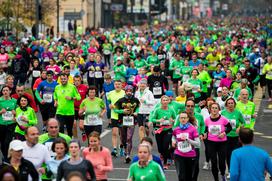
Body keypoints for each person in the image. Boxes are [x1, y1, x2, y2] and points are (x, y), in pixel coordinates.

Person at [204, 102, 232, 181]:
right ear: (210, 109)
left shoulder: (223, 119)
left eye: (216, 108)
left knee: (221, 162)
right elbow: (205, 130)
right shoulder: (207, 120)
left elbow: (229, 128)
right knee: (213, 162)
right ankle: (216, 179)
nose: (214, 109)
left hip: (222, 143)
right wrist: (205, 134)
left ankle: (223, 174)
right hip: (211, 143)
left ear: (219, 109)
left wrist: (224, 133)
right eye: (212, 108)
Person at [149, 95, 176, 169]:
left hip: (168, 130)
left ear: (168, 101)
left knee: (165, 146)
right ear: (161, 102)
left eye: (166, 100)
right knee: (160, 149)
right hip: (159, 130)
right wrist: (158, 120)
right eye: (163, 100)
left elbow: (176, 118)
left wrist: (172, 120)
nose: (165, 102)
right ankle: (163, 154)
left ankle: (165, 163)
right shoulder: (157, 110)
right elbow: (153, 119)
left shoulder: (171, 109)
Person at [114, 85, 140, 163]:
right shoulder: (121, 100)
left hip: (131, 120)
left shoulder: (135, 100)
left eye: (130, 91)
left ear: (132, 92)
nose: (129, 92)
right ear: (125, 91)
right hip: (122, 120)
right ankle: (123, 147)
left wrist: (136, 112)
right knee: (123, 138)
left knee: (129, 138)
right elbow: (115, 110)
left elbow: (138, 107)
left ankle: (128, 154)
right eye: (127, 91)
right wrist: (122, 111)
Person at [172, 112, 200, 181]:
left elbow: (198, 144)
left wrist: (188, 140)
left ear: (187, 119)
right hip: (179, 155)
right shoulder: (176, 129)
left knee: (189, 177)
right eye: (181, 118)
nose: (183, 119)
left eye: (185, 118)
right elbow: (173, 137)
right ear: (179, 119)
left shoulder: (193, 129)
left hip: (190, 156)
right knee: (181, 176)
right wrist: (173, 141)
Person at [221, 98, 245, 178]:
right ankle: (231, 171)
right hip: (227, 137)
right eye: (229, 103)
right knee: (228, 155)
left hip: (236, 137)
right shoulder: (223, 113)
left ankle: (238, 170)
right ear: (226, 105)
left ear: (234, 104)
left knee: (236, 154)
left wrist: (240, 127)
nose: (230, 104)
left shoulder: (238, 113)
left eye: (232, 103)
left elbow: (243, 122)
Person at [106, 80, 125, 157]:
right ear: (114, 85)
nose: (117, 85)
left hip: (123, 116)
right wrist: (109, 105)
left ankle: (121, 148)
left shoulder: (124, 93)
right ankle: (114, 149)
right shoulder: (110, 93)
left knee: (122, 134)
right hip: (114, 115)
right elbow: (108, 102)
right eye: (116, 84)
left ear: (122, 85)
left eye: (119, 84)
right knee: (114, 133)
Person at [0, 86, 17, 159]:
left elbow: (19, 112)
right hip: (1, 124)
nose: (5, 92)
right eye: (4, 91)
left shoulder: (14, 101)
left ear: (10, 91)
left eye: (7, 90)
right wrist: (0, 112)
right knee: (2, 144)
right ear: (2, 92)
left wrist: (15, 113)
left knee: (7, 142)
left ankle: (8, 158)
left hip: (11, 124)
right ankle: (5, 157)